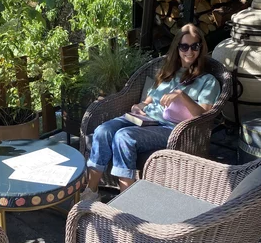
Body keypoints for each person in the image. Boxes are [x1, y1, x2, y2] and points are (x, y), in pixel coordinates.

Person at [81, 23, 221, 201]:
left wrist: (182, 96)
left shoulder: (208, 81)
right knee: (103, 131)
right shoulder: (169, 72)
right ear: (177, 47)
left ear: (201, 48)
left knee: (124, 137)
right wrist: (140, 106)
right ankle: (91, 192)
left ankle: (127, 201)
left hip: (172, 128)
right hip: (145, 118)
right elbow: (149, 99)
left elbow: (203, 116)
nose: (190, 51)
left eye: (195, 46)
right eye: (184, 46)